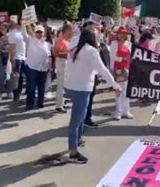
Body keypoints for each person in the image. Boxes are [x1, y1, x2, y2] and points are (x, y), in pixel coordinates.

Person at [64, 29, 120, 163]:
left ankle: (77, 140)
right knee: (76, 120)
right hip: (82, 88)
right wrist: (114, 84)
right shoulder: (91, 51)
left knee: (79, 117)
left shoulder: (74, 49)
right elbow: (102, 69)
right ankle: (73, 152)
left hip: (72, 86)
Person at [23, 24, 52, 111]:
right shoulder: (30, 40)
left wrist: (50, 65)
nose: (39, 34)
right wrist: (26, 24)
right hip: (32, 67)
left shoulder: (47, 44)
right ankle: (29, 104)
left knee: (41, 87)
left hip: (43, 67)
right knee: (31, 86)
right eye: (37, 32)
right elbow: (24, 34)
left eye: (41, 32)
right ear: (35, 33)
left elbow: (49, 55)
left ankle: (40, 102)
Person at [109, 26, 133, 120]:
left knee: (126, 91)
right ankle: (118, 112)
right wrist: (121, 59)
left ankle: (126, 111)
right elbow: (112, 56)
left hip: (126, 69)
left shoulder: (129, 43)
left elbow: (131, 55)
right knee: (118, 91)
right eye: (121, 34)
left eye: (124, 34)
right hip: (116, 69)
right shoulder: (114, 43)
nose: (122, 36)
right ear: (118, 34)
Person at [54, 24, 73, 113]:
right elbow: (57, 53)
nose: (71, 33)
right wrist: (69, 54)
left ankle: (62, 102)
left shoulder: (66, 40)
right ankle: (58, 105)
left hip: (65, 63)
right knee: (61, 85)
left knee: (65, 84)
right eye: (70, 31)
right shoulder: (60, 40)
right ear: (65, 31)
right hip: (61, 63)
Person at [7, 20, 27, 102]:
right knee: (16, 77)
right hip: (17, 58)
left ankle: (18, 93)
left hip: (22, 58)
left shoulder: (20, 33)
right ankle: (16, 95)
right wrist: (12, 60)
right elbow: (12, 49)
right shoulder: (13, 34)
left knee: (20, 77)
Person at [0, 24, 10, 100]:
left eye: (4, 28)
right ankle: (1, 91)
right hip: (1, 55)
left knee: (9, 73)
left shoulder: (10, 36)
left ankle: (9, 91)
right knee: (1, 75)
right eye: (1, 28)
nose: (2, 30)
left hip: (9, 56)